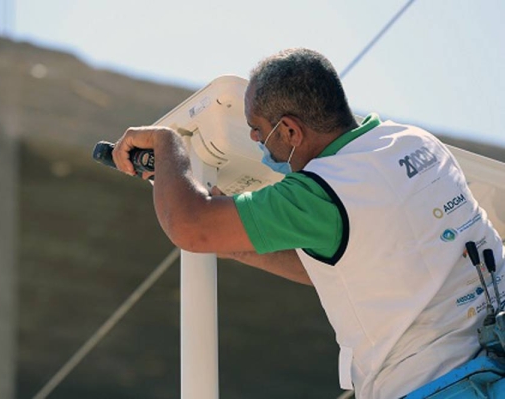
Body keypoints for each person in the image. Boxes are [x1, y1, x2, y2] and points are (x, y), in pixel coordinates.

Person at [111, 48, 505, 399]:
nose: (253, 137)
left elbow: (190, 227)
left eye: (258, 128)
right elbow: (348, 266)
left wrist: (168, 147)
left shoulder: (322, 192)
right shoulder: (414, 141)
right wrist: (237, 245)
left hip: (432, 385)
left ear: (290, 130)